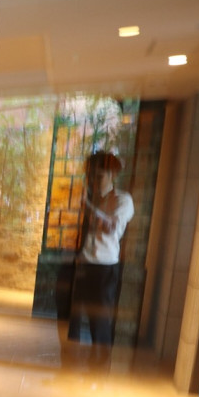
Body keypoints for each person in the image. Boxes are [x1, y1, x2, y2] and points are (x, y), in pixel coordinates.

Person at [67, 151, 134, 370]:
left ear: (112, 175)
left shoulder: (122, 200)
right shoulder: (93, 198)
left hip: (104, 268)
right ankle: (70, 366)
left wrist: (87, 206)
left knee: (100, 322)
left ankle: (99, 370)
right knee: (74, 319)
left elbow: (111, 227)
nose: (94, 181)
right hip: (84, 264)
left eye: (99, 176)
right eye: (91, 175)